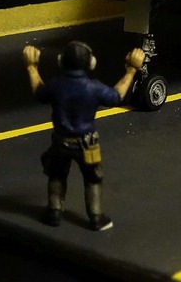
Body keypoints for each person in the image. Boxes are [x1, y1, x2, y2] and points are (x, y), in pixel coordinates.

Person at [22, 42, 145, 231]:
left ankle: (54, 211)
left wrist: (31, 67)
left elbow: (39, 92)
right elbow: (116, 96)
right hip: (87, 144)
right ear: (91, 63)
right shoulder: (94, 88)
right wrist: (131, 70)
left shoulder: (56, 85)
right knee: (93, 178)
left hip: (61, 142)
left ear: (61, 61)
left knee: (56, 176)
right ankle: (96, 216)